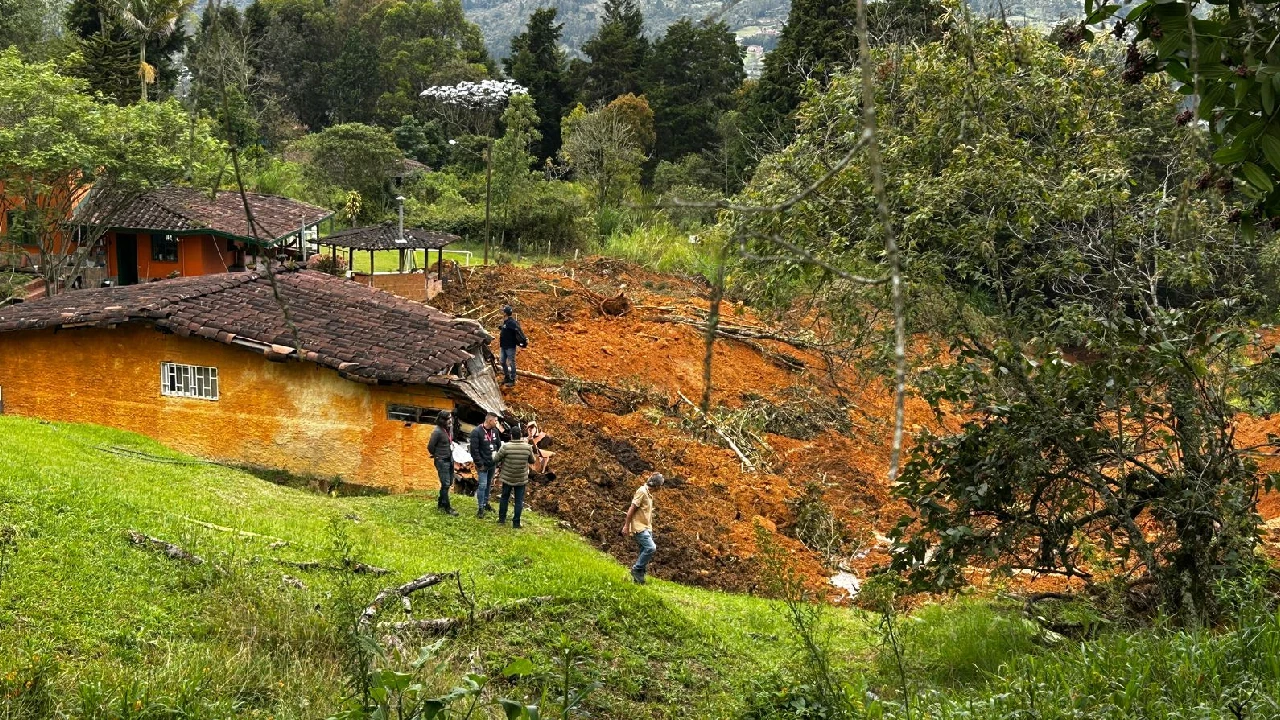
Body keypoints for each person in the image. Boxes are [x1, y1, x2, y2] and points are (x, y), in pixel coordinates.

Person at [622, 473, 665, 584]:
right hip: (639, 527)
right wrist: (626, 526)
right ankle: (636, 569)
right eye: (660, 486)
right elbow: (631, 509)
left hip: (647, 527)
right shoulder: (642, 492)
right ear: (656, 486)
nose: (660, 489)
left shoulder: (649, 494)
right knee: (651, 548)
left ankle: (639, 579)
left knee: (643, 551)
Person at [493, 424, 536, 528]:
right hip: (521, 478)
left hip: (507, 478)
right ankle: (516, 523)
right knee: (519, 501)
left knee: (504, 498)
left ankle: (501, 519)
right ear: (520, 435)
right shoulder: (527, 448)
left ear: (511, 435)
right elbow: (532, 461)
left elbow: (496, 459)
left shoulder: (505, 447)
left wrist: (494, 454)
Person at [468, 412, 503, 518]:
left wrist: (498, 459)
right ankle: (480, 508)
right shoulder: (476, 432)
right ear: (489, 420)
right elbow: (474, 451)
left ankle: (486, 503)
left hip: (492, 464)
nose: (497, 423)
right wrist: (480, 464)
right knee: (482, 485)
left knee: (488, 484)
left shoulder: (495, 431)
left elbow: (499, 445)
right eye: (495, 421)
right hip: (482, 465)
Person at [427, 411, 458, 516]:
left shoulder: (450, 429)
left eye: (450, 418)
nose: (450, 420)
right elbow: (430, 447)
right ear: (442, 420)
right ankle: (447, 507)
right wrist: (437, 455)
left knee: (448, 483)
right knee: (445, 484)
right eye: (448, 419)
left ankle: (441, 503)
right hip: (441, 460)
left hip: (450, 459)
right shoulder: (437, 432)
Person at [498, 305, 528, 386]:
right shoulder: (506, 321)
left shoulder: (512, 322)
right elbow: (506, 329)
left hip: (510, 346)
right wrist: (502, 328)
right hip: (503, 346)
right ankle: (507, 376)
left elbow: (519, 331)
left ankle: (512, 379)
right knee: (502, 361)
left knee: (511, 362)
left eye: (503, 311)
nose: (502, 312)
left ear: (505, 313)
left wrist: (524, 340)